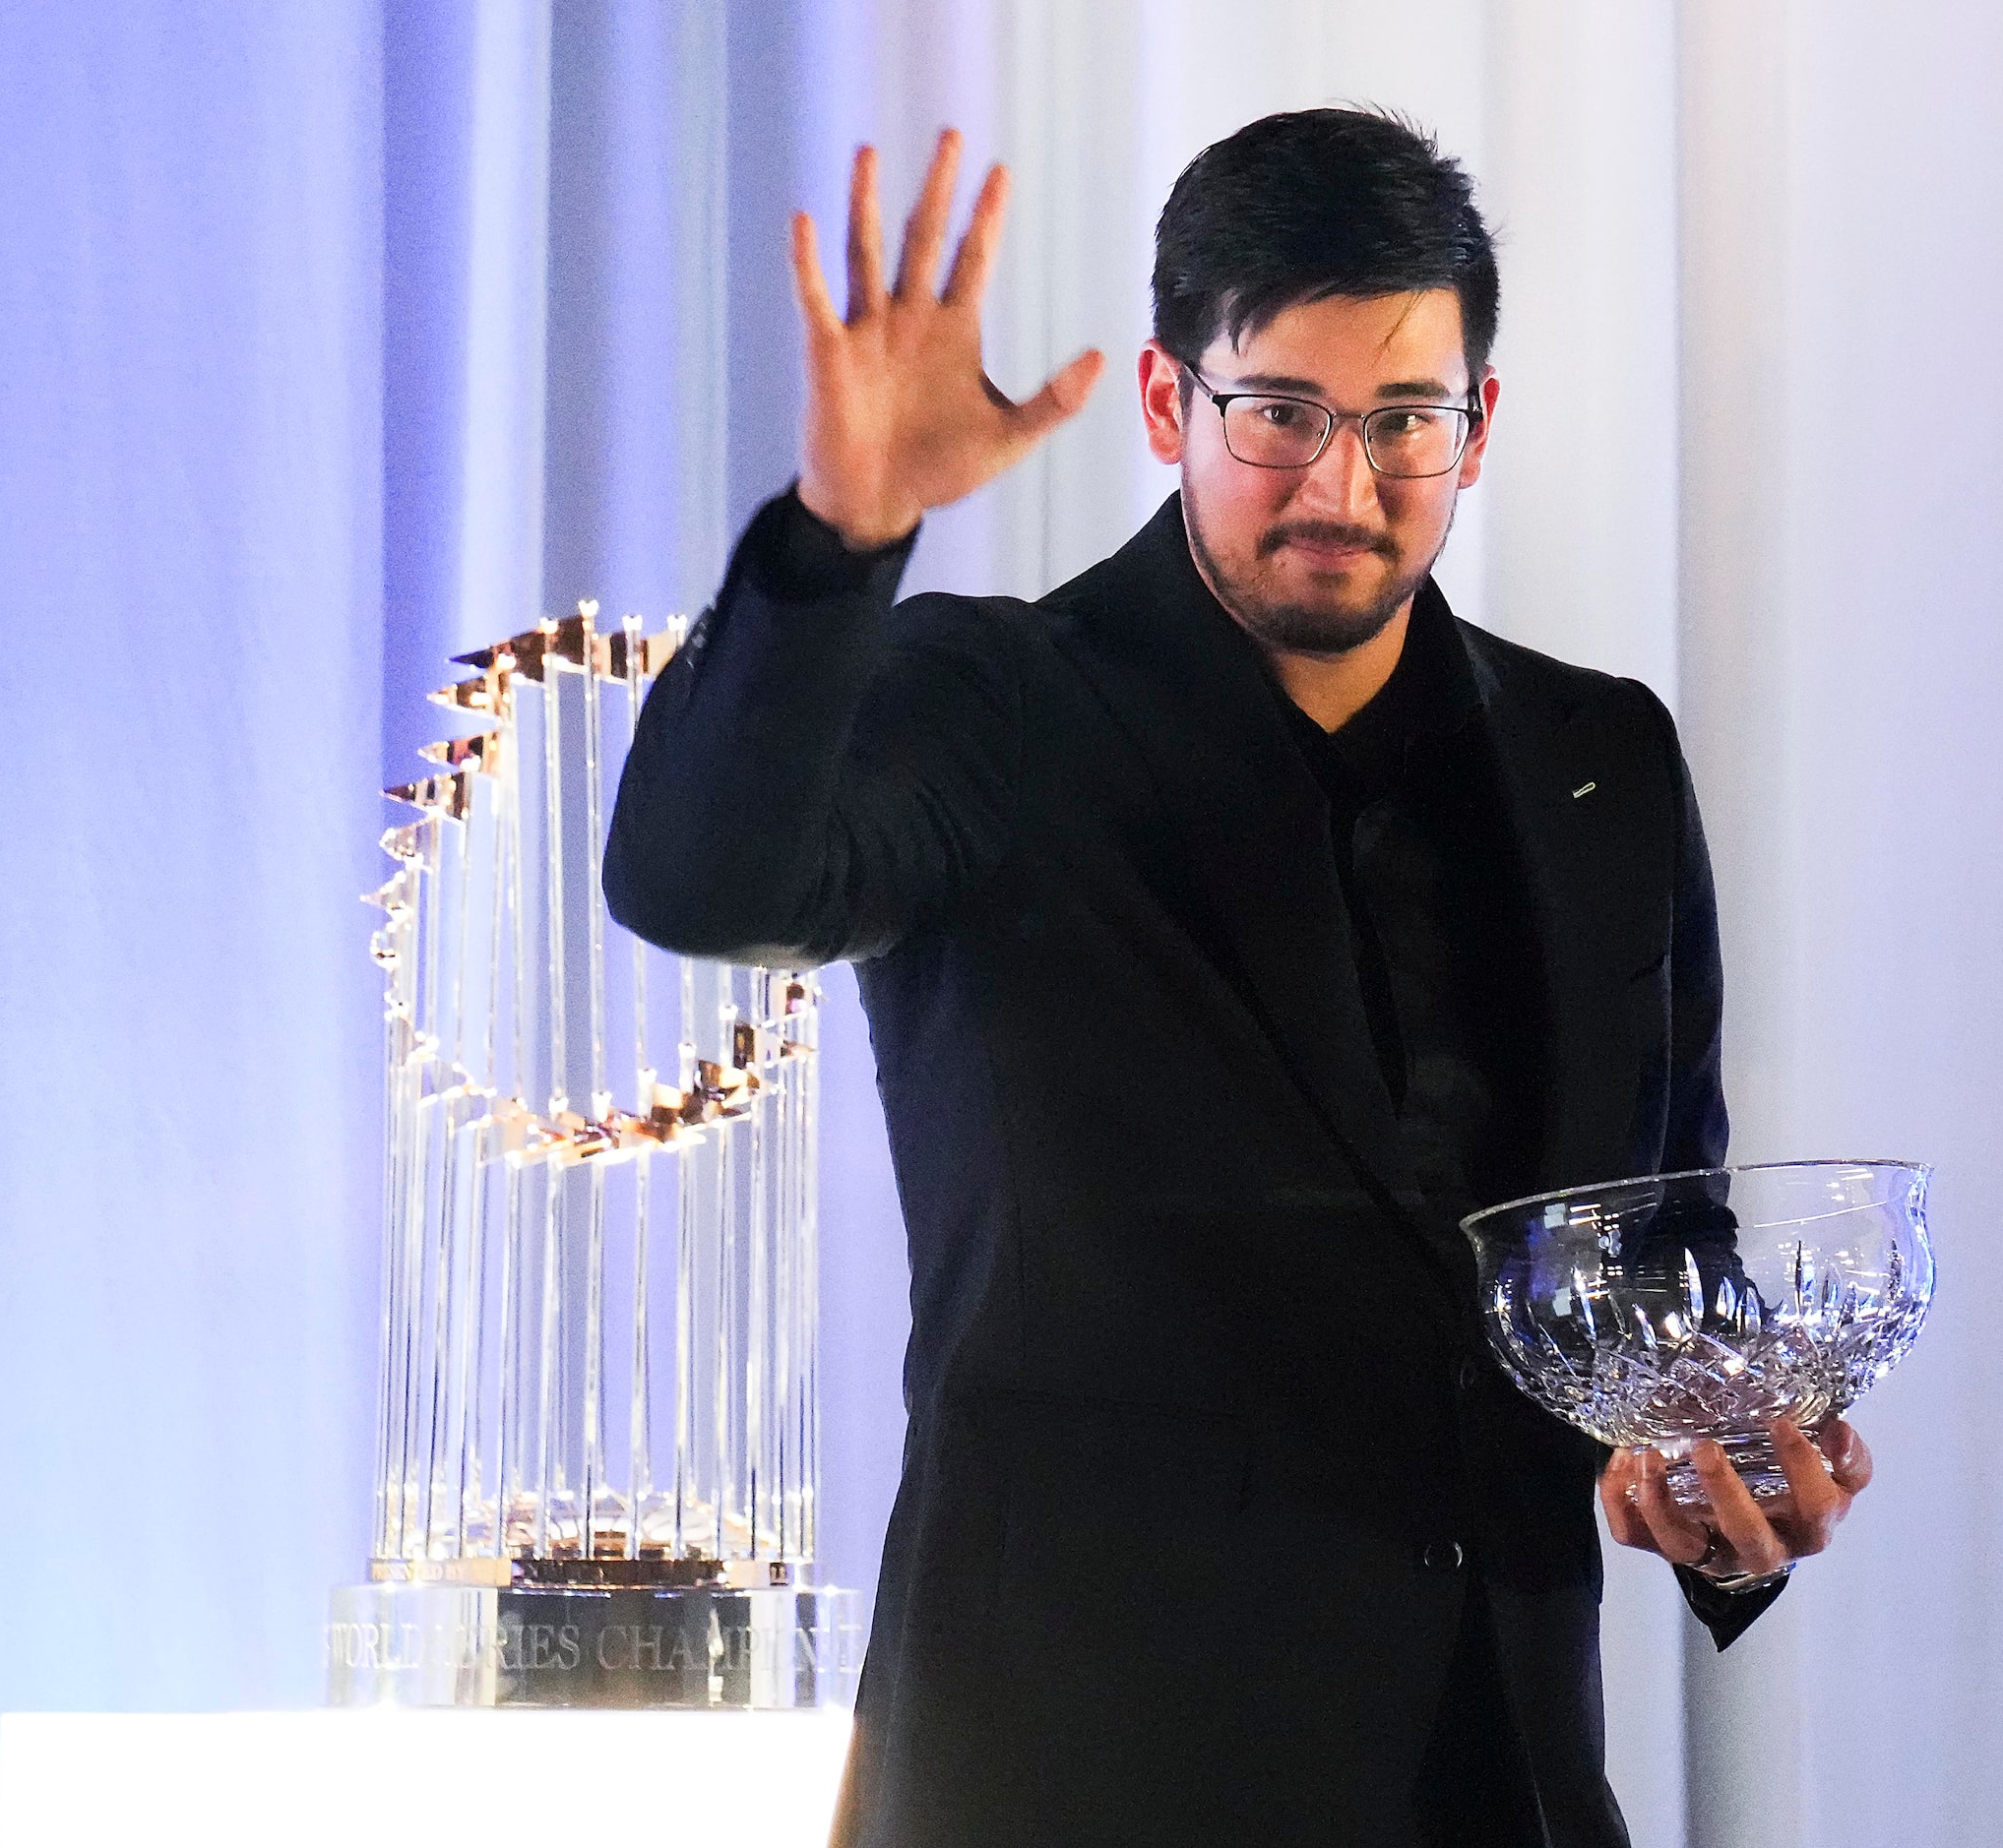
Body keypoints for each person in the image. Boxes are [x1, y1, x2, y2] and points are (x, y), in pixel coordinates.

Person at [605, 108, 1875, 1848]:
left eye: (1402, 421)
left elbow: (1658, 1247)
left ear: (1476, 426)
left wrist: (1712, 1464)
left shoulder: (1603, 758)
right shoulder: (992, 704)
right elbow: (695, 879)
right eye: (1278, 414)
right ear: (1164, 405)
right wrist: (838, 534)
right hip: (1072, 1772)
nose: (1340, 488)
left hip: (1492, 1773)